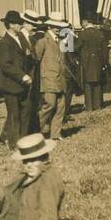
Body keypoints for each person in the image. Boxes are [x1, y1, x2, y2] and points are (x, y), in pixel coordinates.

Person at [0, 10, 35, 149]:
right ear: (10, 25)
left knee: (25, 113)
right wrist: (22, 75)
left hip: (22, 83)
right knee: (14, 115)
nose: (20, 25)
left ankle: (21, 140)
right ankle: (14, 143)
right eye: (18, 23)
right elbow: (6, 65)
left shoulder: (20, 39)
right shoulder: (5, 42)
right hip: (10, 84)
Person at [34, 12, 73, 140]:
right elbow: (36, 61)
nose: (58, 29)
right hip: (48, 80)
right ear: (49, 26)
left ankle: (55, 134)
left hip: (61, 79)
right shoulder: (42, 41)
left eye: (60, 26)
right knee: (49, 105)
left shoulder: (62, 41)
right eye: (55, 26)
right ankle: (34, 130)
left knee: (60, 107)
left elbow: (66, 58)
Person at [76, 15, 108, 111]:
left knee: (87, 84)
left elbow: (77, 47)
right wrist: (104, 62)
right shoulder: (100, 34)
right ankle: (97, 105)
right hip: (98, 61)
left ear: (86, 22)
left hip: (86, 62)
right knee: (98, 83)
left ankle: (89, 106)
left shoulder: (82, 34)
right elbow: (105, 50)